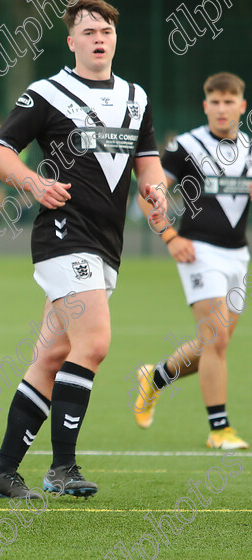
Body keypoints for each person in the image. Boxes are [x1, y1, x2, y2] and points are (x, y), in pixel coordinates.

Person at [0, 0, 167, 499]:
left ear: (114, 38)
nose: (98, 38)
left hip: (108, 241)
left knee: (53, 355)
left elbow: (147, 161)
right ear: (71, 42)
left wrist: (156, 191)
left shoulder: (135, 97)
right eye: (87, 31)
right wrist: (33, 184)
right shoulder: (47, 93)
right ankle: (62, 468)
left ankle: (3, 472)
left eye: (105, 30)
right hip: (64, 235)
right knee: (95, 343)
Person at [132, 72, 251, 450]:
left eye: (229, 101)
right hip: (198, 252)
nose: (221, 108)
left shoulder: (249, 148)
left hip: (237, 255)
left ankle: (156, 377)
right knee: (214, 340)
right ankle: (219, 429)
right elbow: (148, 195)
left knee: (210, 348)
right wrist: (170, 236)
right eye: (214, 101)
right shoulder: (186, 145)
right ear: (205, 105)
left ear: (241, 106)